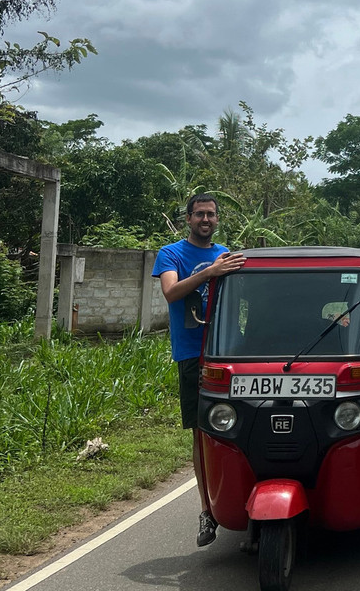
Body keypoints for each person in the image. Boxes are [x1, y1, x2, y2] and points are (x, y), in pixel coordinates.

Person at [153, 193, 245, 546]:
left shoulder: (227, 253)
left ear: (217, 219)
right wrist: (210, 272)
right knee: (202, 435)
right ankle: (207, 511)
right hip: (193, 355)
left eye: (211, 214)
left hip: (228, 355)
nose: (206, 219)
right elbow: (172, 292)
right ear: (188, 219)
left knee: (239, 429)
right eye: (199, 214)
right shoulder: (171, 254)